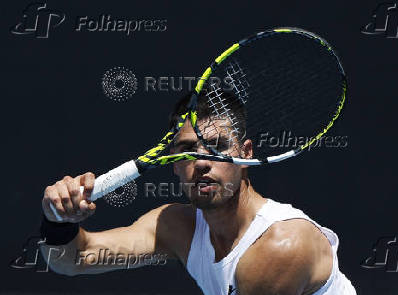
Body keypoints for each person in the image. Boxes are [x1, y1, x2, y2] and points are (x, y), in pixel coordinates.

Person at [40, 91, 357, 295]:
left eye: (217, 147)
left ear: (245, 155)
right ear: (175, 165)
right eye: (188, 151)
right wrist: (58, 220)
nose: (203, 162)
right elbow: (73, 260)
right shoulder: (178, 227)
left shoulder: (282, 244)